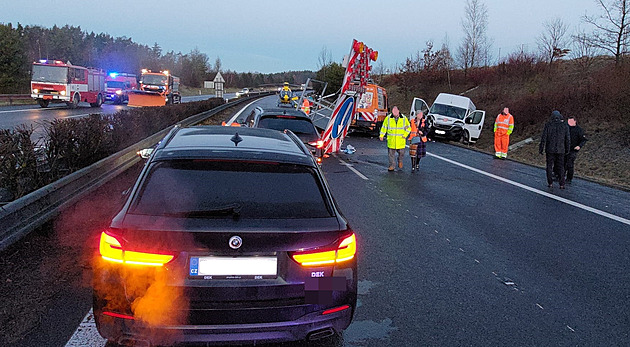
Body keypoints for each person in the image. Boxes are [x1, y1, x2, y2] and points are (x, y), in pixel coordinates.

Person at [539, 110, 570, 189]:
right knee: (561, 166)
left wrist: (541, 148)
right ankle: (562, 183)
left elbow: (544, 137)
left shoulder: (548, 125)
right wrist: (567, 149)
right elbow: (567, 138)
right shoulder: (564, 125)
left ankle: (550, 183)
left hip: (550, 149)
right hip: (561, 149)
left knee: (549, 166)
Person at [380, 106, 411, 171]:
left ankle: (400, 161)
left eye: (396, 112)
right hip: (391, 140)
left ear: (398, 111)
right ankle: (392, 165)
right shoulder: (388, 118)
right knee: (391, 155)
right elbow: (384, 127)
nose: (394, 113)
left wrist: (405, 135)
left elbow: (408, 128)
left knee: (401, 153)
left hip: (401, 140)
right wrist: (381, 135)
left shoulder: (404, 118)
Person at [565, 116, 587, 183]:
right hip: (564, 148)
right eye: (568, 121)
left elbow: (583, 140)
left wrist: (579, 146)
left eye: (571, 121)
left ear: (575, 121)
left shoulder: (579, 130)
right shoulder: (566, 128)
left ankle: (569, 179)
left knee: (570, 164)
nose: (569, 123)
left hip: (573, 149)